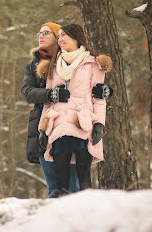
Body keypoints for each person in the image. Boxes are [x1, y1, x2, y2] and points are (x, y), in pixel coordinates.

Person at [21, 22, 113, 198]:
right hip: (55, 127)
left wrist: (100, 120)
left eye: (46, 32)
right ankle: (60, 221)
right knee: (57, 186)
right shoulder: (47, 65)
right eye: (39, 32)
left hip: (82, 123)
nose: (40, 36)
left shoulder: (91, 63)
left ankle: (87, 220)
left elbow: (97, 95)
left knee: (80, 183)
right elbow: (28, 93)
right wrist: (44, 123)